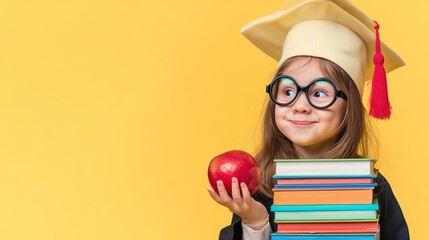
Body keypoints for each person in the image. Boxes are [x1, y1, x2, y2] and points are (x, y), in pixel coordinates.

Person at [207, 0, 409, 239]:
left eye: (320, 93)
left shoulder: (371, 187)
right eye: (288, 92)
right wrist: (255, 221)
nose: (300, 106)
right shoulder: (259, 186)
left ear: (349, 108)